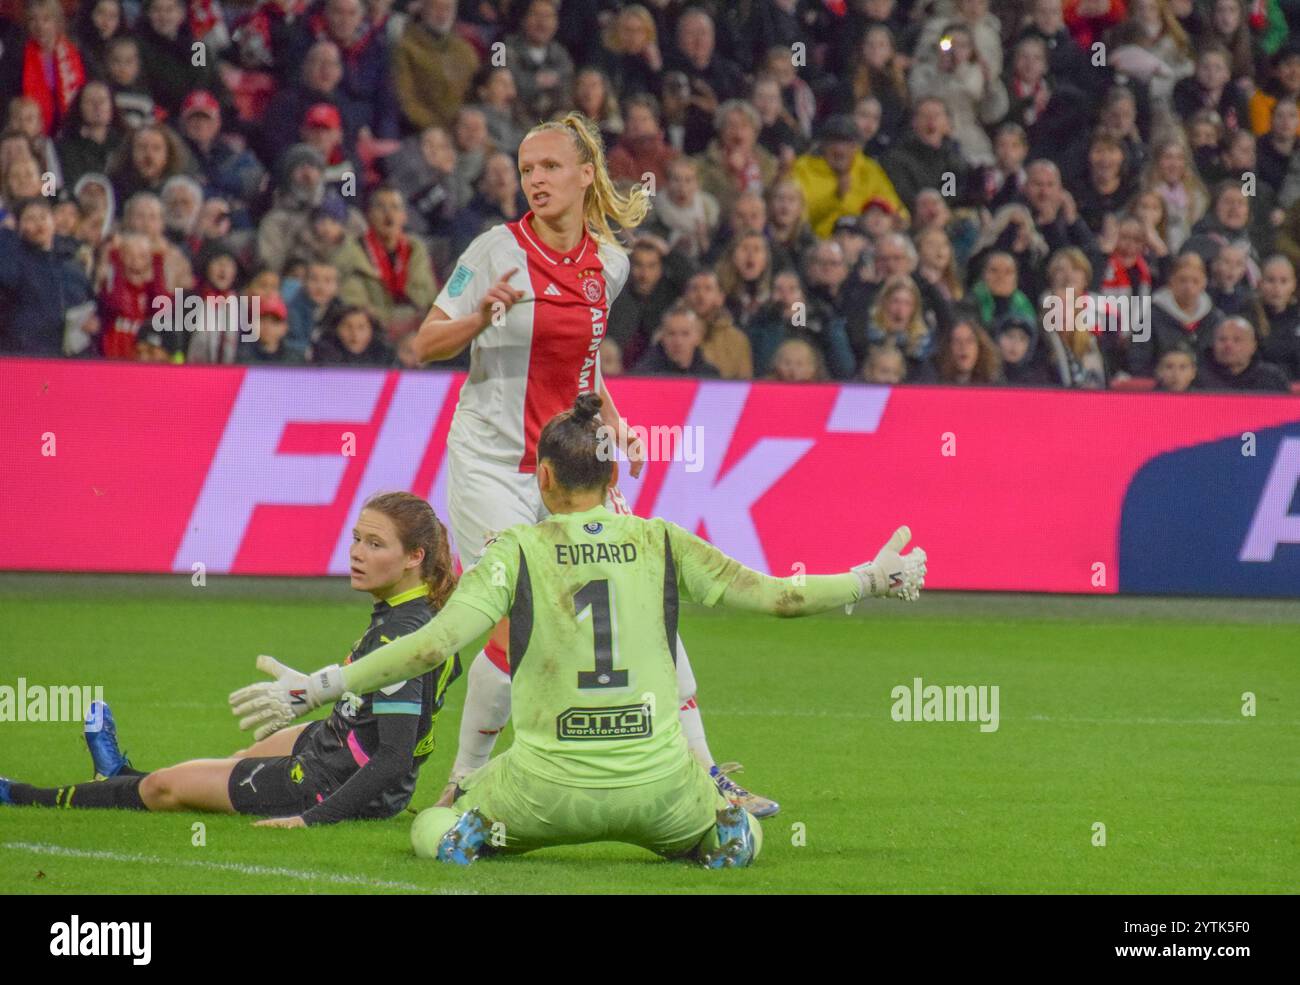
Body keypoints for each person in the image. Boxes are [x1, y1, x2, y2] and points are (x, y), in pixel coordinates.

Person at [227, 394, 928, 866]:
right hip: (660, 792)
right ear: (612, 473)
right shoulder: (660, 539)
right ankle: (720, 830)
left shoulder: (515, 550)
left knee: (430, 827)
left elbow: (436, 642)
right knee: (733, 833)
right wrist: (870, 577)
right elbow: (779, 596)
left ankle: (469, 824)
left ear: (544, 476)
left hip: (541, 793)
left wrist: (321, 684)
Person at [408, 112, 780, 817]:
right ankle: (463, 783)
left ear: (586, 174)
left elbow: (585, 370)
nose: (535, 180)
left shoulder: (607, 264)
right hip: (491, 461)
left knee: (646, 599)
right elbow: (426, 342)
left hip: (572, 462)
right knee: (513, 613)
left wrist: (615, 422)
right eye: (526, 170)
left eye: (549, 167)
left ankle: (707, 775)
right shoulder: (494, 250)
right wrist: (478, 321)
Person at [2, 494, 462, 827]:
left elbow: (396, 756)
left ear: (414, 557)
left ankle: (22, 795)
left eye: (375, 545)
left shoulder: (403, 634)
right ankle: (117, 777)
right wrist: (322, 691)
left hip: (329, 780)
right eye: (357, 538)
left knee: (165, 789)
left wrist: (312, 818)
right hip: (335, 742)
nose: (357, 553)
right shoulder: (422, 616)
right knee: (233, 762)